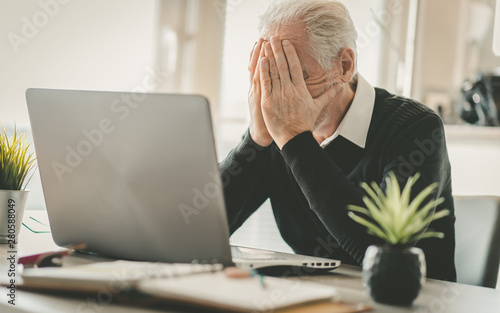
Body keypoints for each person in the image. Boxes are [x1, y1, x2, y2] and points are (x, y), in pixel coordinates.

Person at [219, 0, 456, 281]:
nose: (283, 95)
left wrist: (295, 140)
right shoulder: (275, 132)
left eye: (297, 76)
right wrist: (256, 141)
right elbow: (197, 232)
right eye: (273, 76)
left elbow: (381, 250)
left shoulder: (416, 128)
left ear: (344, 66)